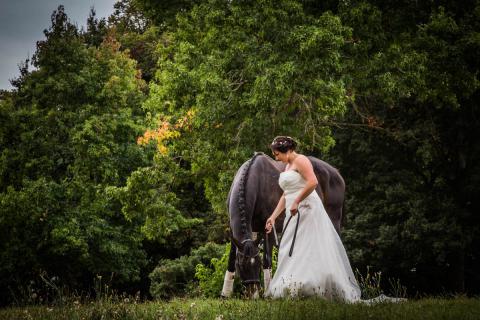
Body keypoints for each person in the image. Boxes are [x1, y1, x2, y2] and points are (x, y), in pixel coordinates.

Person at [264, 136, 361, 301]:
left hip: (307, 209)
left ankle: (315, 286)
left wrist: (297, 200)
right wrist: (273, 217)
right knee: (290, 248)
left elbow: (313, 182)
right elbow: (286, 194)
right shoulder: (287, 166)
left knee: (309, 247)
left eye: (276, 154)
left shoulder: (301, 160)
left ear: (286, 151)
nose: (276, 158)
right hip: (293, 211)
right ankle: (293, 285)